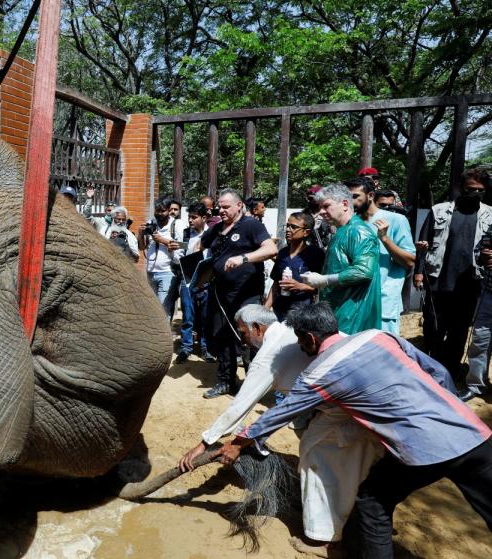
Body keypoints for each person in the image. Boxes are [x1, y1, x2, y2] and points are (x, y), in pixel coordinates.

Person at [216, 303, 492, 559]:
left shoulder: (319, 373)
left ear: (310, 339)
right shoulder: (379, 336)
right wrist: (449, 411)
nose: (300, 347)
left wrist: (239, 443)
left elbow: (279, 414)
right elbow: (440, 372)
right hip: (473, 432)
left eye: (301, 341)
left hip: (423, 450)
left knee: (373, 502)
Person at [178, 304, 381, 554]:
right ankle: (356, 516)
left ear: (257, 328)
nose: (243, 339)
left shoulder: (269, 356)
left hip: (346, 409)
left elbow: (241, 406)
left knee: (314, 457)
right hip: (368, 400)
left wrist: (205, 443)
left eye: (243, 332)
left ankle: (324, 539)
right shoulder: (292, 331)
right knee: (347, 458)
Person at [196, 188, 277, 398]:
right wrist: (197, 271)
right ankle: (225, 381)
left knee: (249, 337)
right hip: (219, 293)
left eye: (225, 207)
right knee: (222, 336)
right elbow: (199, 245)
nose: (220, 211)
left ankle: (255, 385)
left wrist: (244, 258)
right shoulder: (217, 228)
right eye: (219, 207)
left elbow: (270, 249)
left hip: (246, 293)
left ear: (239, 205)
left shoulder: (251, 225)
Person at [415, 168, 492, 380]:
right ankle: (432, 366)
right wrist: (418, 272)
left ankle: (450, 370)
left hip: (471, 283)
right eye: (470, 189)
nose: (475, 194)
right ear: (461, 188)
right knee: (433, 327)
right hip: (437, 279)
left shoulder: (489, 214)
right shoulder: (439, 210)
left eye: (480, 190)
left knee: (459, 330)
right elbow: (423, 244)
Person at [301, 183, 381, 333]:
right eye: (320, 208)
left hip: (353, 316)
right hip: (339, 311)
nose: (321, 212)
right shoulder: (342, 231)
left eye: (326, 206)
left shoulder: (358, 231)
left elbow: (364, 271)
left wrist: (324, 280)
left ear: (344, 204)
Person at [346, 178, 415, 334]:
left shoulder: (396, 220)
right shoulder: (349, 223)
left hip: (384, 304)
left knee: (384, 354)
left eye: (355, 196)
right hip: (354, 304)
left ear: (370, 195)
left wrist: (384, 239)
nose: (350, 201)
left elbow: (409, 261)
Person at [264, 211, 324, 321]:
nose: (288, 229)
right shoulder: (282, 253)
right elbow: (275, 285)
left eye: (293, 227)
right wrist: (265, 310)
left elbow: (322, 286)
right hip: (279, 311)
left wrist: (300, 286)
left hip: (301, 313)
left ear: (306, 232)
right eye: (287, 226)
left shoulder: (315, 254)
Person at [175, 202, 214, 363]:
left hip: (206, 280)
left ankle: (206, 348)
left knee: (206, 316)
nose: (190, 220)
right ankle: (186, 348)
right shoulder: (185, 234)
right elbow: (178, 256)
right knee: (188, 316)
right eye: (189, 217)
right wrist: (177, 251)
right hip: (187, 279)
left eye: (194, 217)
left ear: (204, 218)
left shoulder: (212, 235)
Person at [138, 196, 181, 327]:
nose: (159, 214)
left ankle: (163, 340)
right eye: (157, 211)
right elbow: (142, 247)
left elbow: (181, 247)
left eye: (162, 211)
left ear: (169, 211)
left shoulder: (176, 225)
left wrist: (162, 240)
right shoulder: (152, 223)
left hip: (167, 273)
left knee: (163, 309)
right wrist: (140, 234)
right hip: (151, 272)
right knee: (153, 309)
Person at [462, 224, 492, 401]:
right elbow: (480, 249)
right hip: (488, 293)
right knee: (480, 340)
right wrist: (484, 255)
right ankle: (476, 385)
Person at [304, 185, 334, 249]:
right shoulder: (303, 215)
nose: (312, 200)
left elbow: (333, 234)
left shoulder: (329, 214)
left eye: (315, 197)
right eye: (310, 198)